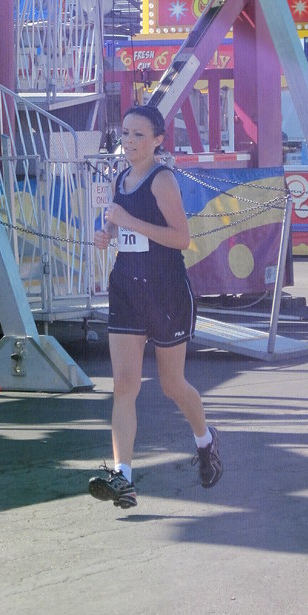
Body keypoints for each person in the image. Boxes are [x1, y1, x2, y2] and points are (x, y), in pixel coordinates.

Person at [89, 104, 222, 510]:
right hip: (127, 289)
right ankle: (123, 478)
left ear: (158, 141)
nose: (129, 142)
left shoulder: (162, 180)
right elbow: (118, 228)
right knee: (124, 386)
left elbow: (181, 238)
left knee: (171, 385)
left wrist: (127, 221)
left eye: (139, 135)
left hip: (165, 291)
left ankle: (205, 441)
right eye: (125, 133)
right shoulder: (120, 178)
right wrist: (107, 235)